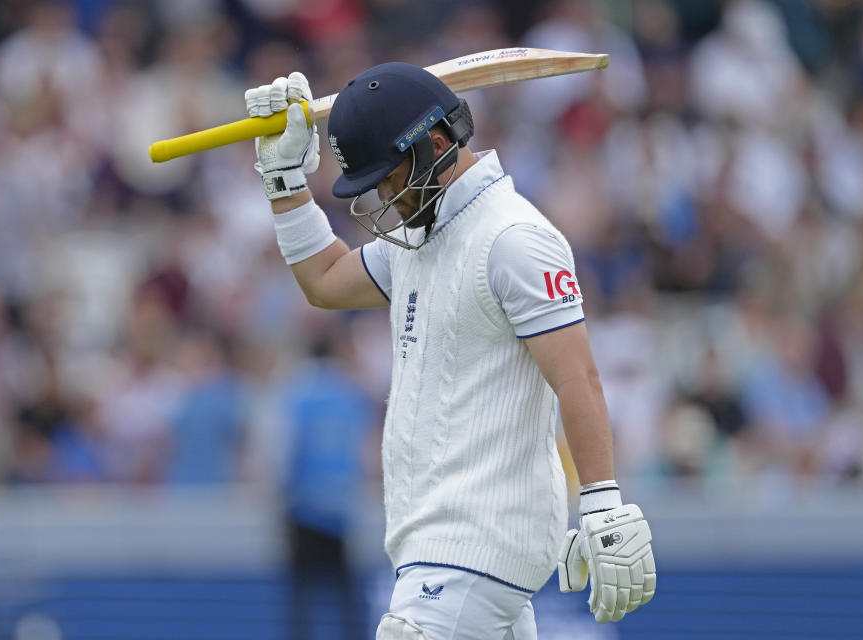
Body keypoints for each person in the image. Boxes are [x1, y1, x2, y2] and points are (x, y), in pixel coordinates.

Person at [243, 63, 656, 639]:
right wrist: (283, 177)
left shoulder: (513, 238)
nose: (385, 195)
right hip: (438, 541)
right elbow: (326, 279)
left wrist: (604, 503)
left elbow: (577, 378)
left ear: (436, 144)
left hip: (477, 540)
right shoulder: (423, 237)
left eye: (388, 177)